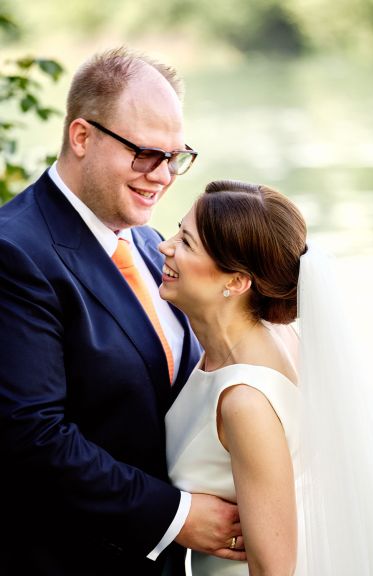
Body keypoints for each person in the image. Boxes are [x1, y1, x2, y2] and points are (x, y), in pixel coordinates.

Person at [0, 48, 245, 575]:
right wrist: (176, 517)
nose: (162, 176)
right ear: (82, 137)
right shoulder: (14, 252)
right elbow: (31, 434)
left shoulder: (153, 242)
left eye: (175, 157)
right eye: (145, 154)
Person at [161, 180, 373, 575]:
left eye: (187, 243)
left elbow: (273, 568)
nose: (165, 247)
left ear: (236, 282)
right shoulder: (277, 336)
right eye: (178, 231)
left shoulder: (246, 401)